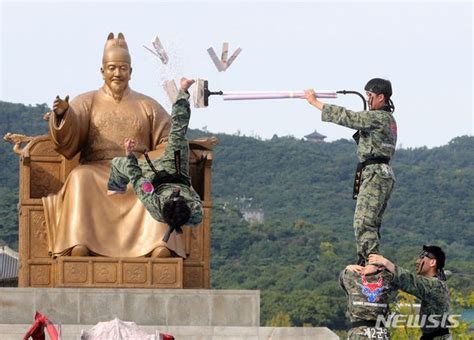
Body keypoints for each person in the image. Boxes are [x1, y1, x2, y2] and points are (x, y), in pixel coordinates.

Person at [42, 32, 180, 258]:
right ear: (103, 70)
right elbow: (69, 141)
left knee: (155, 182)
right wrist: (63, 116)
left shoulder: (148, 105)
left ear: (131, 72)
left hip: (136, 169)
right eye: (112, 68)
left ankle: (159, 244)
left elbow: (169, 141)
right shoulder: (87, 102)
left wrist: (143, 162)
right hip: (97, 169)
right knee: (80, 177)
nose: (118, 73)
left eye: (123, 68)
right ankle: (79, 241)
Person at [303, 79, 397, 265]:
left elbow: (349, 117)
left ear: (381, 97)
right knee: (369, 222)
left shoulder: (379, 117)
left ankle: (369, 261)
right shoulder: (386, 119)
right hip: (378, 172)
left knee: (363, 221)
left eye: (370, 96)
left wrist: (315, 102)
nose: (368, 100)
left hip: (375, 172)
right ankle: (368, 257)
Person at [107, 77, 202, 242]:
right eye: (179, 197)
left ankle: (116, 184)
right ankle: (183, 92)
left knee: (118, 163)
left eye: (173, 197)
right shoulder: (195, 213)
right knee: (177, 135)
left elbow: (137, 178)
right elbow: (194, 198)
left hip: (153, 179)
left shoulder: (155, 205)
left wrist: (129, 154)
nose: (175, 194)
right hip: (177, 173)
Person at [369, 245, 451, 339]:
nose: (417, 262)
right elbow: (401, 282)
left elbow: (410, 281)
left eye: (422, 258)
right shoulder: (432, 285)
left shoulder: (437, 285)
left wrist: (385, 262)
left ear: (432, 262)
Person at [340, 264, 396, 339]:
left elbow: (342, 279)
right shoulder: (388, 276)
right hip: (381, 333)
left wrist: (347, 268)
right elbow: (399, 275)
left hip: (360, 333)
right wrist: (380, 266)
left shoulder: (350, 275)